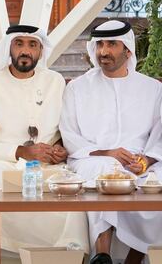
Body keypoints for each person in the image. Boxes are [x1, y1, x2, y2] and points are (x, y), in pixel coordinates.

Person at [0, 24, 88, 262]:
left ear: (41, 51)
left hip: (49, 167)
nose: (25, 50)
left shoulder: (56, 81)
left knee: (72, 193)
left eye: (33, 45)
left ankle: (69, 255)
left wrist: (61, 148)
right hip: (4, 165)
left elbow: (64, 130)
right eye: (19, 43)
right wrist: (21, 151)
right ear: (9, 47)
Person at [60, 20, 162, 264]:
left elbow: (160, 135)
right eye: (100, 45)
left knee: (156, 183)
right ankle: (102, 253)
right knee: (108, 172)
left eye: (111, 45)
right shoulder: (77, 88)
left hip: (143, 162)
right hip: (92, 158)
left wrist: (145, 161)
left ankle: (133, 260)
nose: (103, 51)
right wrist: (109, 153)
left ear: (127, 50)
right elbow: (70, 135)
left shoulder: (152, 89)